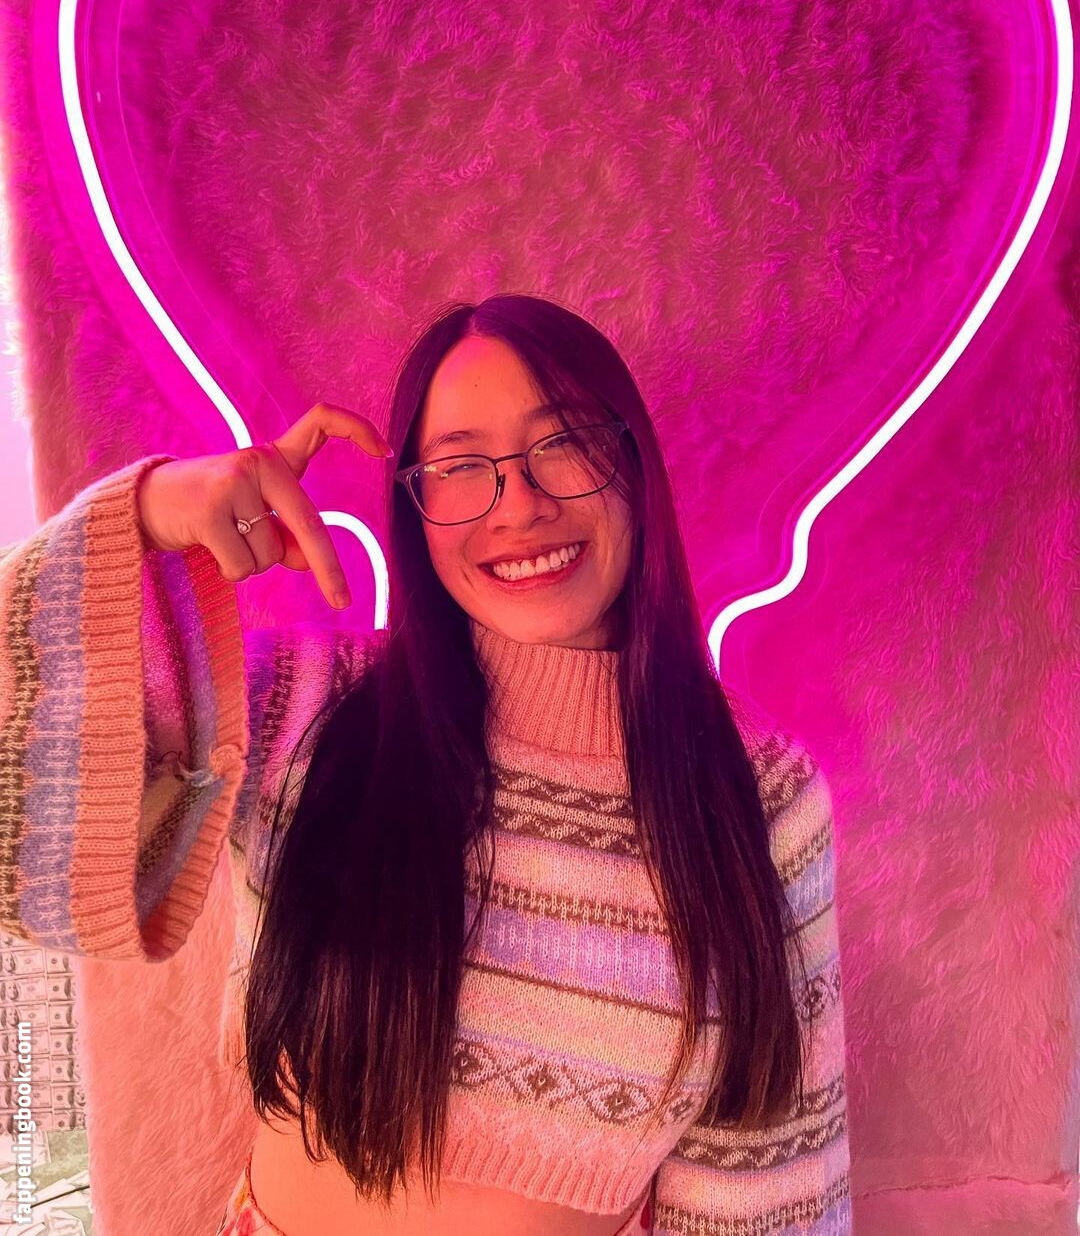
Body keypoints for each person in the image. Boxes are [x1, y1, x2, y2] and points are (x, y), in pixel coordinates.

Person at [0, 294, 851, 1235]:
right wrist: (148, 515)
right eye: (459, 465)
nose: (519, 504)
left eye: (564, 441)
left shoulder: (761, 796)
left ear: (633, 464)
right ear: (416, 509)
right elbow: (18, 833)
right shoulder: (300, 709)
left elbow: (770, 1178)